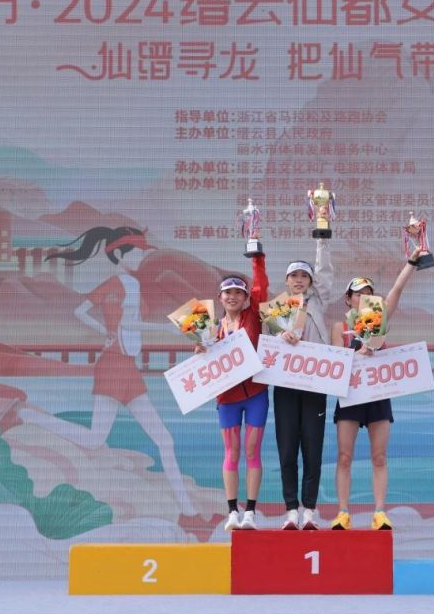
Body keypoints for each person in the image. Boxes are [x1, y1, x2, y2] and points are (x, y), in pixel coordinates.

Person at [19, 226, 196, 517]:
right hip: (114, 366)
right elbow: (124, 323)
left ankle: (187, 509)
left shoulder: (125, 284)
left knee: (163, 439)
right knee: (97, 439)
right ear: (119, 255)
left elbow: (82, 312)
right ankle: (32, 417)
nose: (140, 258)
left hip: (127, 367)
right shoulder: (123, 284)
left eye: (142, 253)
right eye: (136, 253)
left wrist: (106, 331)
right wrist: (159, 329)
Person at [329, 249, 421, 531]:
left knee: (379, 457)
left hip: (378, 394)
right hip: (350, 396)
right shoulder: (339, 327)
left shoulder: (380, 319)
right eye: (357, 294)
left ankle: (379, 512)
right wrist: (356, 354)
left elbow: (397, 288)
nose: (363, 297)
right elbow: (335, 361)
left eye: (368, 293)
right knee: (344, 457)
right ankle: (343, 513)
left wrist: (412, 261)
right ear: (348, 299)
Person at [195, 251, 269, 530]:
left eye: (239, 292)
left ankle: (250, 512)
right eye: (228, 292)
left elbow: (261, 287)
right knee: (232, 451)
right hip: (227, 398)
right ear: (220, 298)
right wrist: (201, 350)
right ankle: (231, 513)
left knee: (252, 450)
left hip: (256, 394)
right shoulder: (210, 328)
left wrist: (257, 260)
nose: (233, 296)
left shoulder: (254, 316)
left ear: (246, 297)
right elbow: (206, 362)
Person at [274, 239, 334, 530]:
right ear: (286, 281)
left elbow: (325, 274)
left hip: (314, 384)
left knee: (312, 448)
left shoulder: (318, 302)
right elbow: (267, 347)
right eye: (293, 276)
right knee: (287, 450)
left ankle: (309, 510)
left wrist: (322, 240)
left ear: (310, 281)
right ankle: (290, 511)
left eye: (304, 276)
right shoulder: (276, 308)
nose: (298, 280)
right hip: (285, 385)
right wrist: (279, 337)